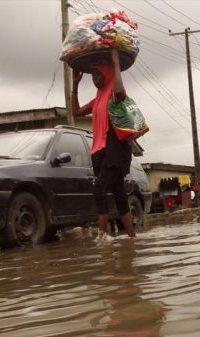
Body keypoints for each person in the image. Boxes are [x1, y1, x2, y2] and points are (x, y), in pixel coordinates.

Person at [72, 49, 135, 241]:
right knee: (119, 195)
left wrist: (116, 64)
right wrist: (75, 84)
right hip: (100, 151)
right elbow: (75, 112)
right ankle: (133, 238)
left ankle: (102, 234)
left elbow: (119, 91)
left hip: (115, 151)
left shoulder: (113, 95)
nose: (94, 79)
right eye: (92, 77)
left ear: (107, 74)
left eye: (98, 75)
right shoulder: (97, 99)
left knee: (98, 188)